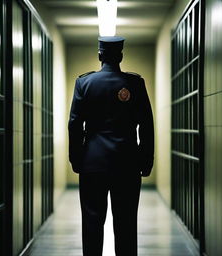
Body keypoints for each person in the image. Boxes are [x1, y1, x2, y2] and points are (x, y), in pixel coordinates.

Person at [68, 36, 154, 256]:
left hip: (92, 163)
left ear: (100, 56)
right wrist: (146, 159)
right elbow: (145, 125)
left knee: (92, 223)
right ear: (121, 56)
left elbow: (75, 124)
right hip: (127, 163)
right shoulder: (135, 83)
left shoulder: (84, 83)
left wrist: (76, 159)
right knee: (126, 223)